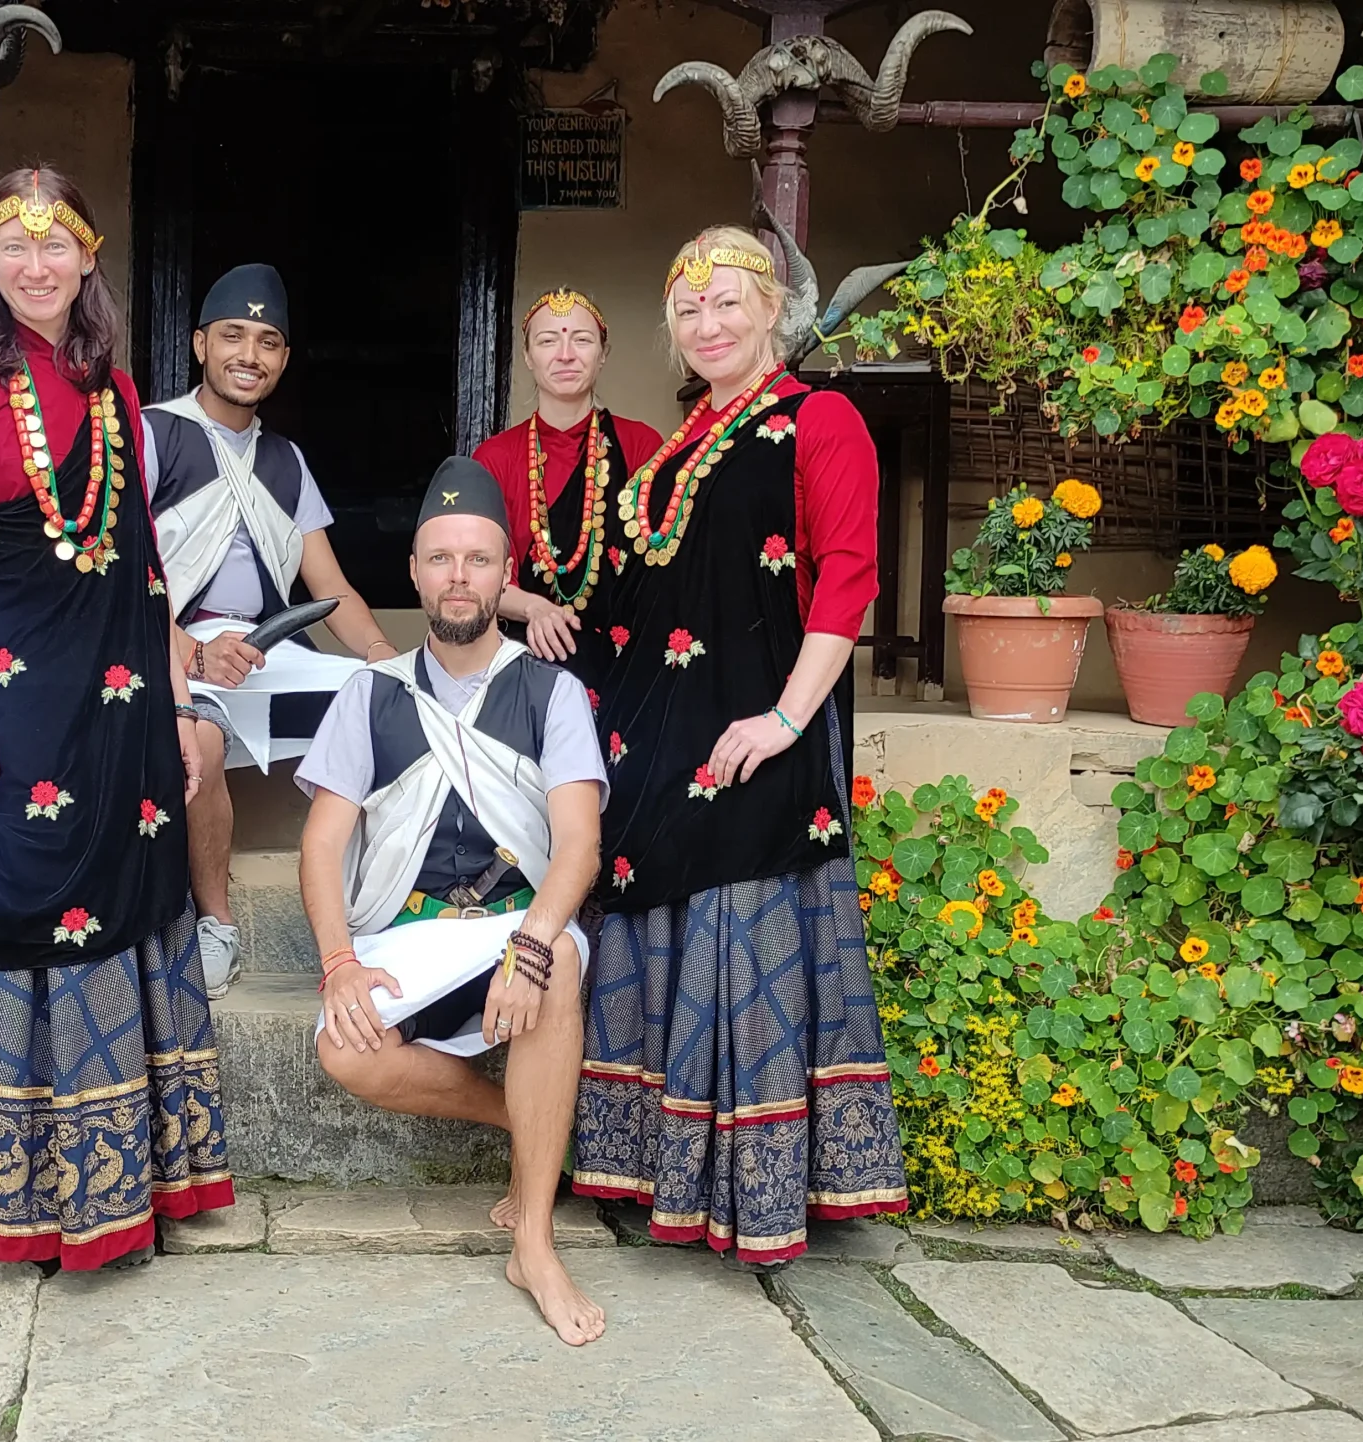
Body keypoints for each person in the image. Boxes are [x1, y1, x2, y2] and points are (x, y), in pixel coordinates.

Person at [0, 166, 235, 1270]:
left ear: (88, 256)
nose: (36, 265)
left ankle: (131, 1190)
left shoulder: (114, 390)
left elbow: (144, 567)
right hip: (8, 706)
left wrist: (179, 704)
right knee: (19, 899)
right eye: (15, 246)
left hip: (121, 703)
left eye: (56, 245)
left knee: (130, 900)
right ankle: (25, 1201)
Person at [569, 227, 909, 1266]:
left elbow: (847, 575)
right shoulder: (675, 446)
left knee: (739, 934)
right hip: (653, 744)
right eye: (688, 309)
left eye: (727, 303)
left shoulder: (819, 419)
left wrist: (787, 719)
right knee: (656, 933)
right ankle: (655, 1179)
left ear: (773, 312)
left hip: (754, 735)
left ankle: (748, 1199)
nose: (707, 324)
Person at [300, 457, 607, 1345]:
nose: (459, 576)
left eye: (478, 559)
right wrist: (338, 964)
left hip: (519, 924)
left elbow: (578, 844)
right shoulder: (370, 694)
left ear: (506, 575)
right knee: (345, 1052)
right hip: (407, 933)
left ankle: (535, 1244)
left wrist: (534, 945)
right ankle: (527, 1126)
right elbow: (320, 846)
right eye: (441, 559)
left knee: (556, 967)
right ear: (414, 573)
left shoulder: (551, 691)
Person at [145, 264, 397, 999]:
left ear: (284, 359)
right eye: (233, 336)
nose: (248, 354)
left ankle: (383, 909)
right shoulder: (153, 433)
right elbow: (124, 577)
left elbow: (330, 589)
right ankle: (215, 922)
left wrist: (385, 658)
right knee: (201, 741)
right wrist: (192, 652)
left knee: (389, 705)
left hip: (265, 650)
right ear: (200, 344)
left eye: (267, 341)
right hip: (170, 645)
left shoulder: (286, 460)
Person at [470, 288, 663, 667]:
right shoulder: (495, 458)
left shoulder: (640, 445)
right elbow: (477, 572)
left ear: (603, 354)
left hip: (623, 659)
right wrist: (533, 607)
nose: (565, 354)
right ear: (528, 356)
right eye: (547, 341)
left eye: (582, 340)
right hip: (522, 656)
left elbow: (659, 570)